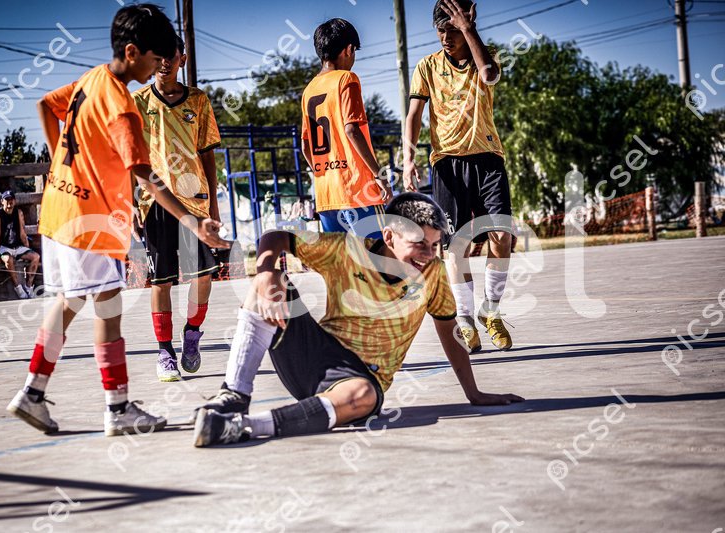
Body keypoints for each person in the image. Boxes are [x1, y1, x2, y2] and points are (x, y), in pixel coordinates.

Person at [6, 4, 230, 437]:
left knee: (69, 302)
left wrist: (61, 163)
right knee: (107, 308)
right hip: (92, 217)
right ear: (133, 52)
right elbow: (146, 175)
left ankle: (33, 392)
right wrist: (193, 222)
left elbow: (45, 105)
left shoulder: (91, 79)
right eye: (154, 58)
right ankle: (117, 407)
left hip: (59, 207)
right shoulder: (125, 105)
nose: (157, 67)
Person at [192, 192, 522, 447]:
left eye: (435, 245)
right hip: (315, 356)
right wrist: (265, 272)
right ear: (389, 237)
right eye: (419, 244)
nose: (428, 254)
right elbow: (277, 236)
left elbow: (449, 332)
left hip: (360, 379)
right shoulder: (346, 250)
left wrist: (473, 393)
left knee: (364, 395)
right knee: (271, 283)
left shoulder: (433, 273)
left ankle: (239, 427)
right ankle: (234, 395)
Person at [403, 0, 514, 352]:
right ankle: (465, 319)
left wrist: (468, 28)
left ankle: (491, 311)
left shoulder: (487, 56)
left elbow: (490, 76)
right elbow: (414, 115)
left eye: (452, 30)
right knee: (456, 245)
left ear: (468, 24)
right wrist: (408, 158)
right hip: (447, 163)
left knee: (502, 236)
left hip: (488, 159)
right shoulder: (427, 66)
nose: (445, 37)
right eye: (440, 30)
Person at [132, 35, 223, 382]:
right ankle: (164, 352)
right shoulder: (138, 102)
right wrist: (130, 204)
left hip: (195, 201)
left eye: (171, 56)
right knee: (162, 280)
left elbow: (208, 154)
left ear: (182, 59)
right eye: (158, 56)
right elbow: (131, 160)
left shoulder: (198, 100)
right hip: (154, 203)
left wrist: (214, 205)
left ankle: (192, 332)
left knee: (203, 275)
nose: (165, 62)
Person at [301, 18, 393, 239]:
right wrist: (379, 175)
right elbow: (351, 129)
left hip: (326, 195)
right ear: (349, 49)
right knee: (377, 255)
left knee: (341, 260)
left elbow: (305, 146)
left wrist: (326, 173)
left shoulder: (309, 90)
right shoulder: (346, 79)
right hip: (357, 190)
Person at [0, 190, 40, 299]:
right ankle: (18, 287)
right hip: (4, 247)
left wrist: (27, 248)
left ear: (15, 201)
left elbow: (23, 233)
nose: (10, 201)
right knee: (8, 260)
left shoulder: (18, 212)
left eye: (11, 199)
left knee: (36, 257)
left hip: (17, 246)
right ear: (2, 201)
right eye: (7, 199)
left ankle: (28, 286)